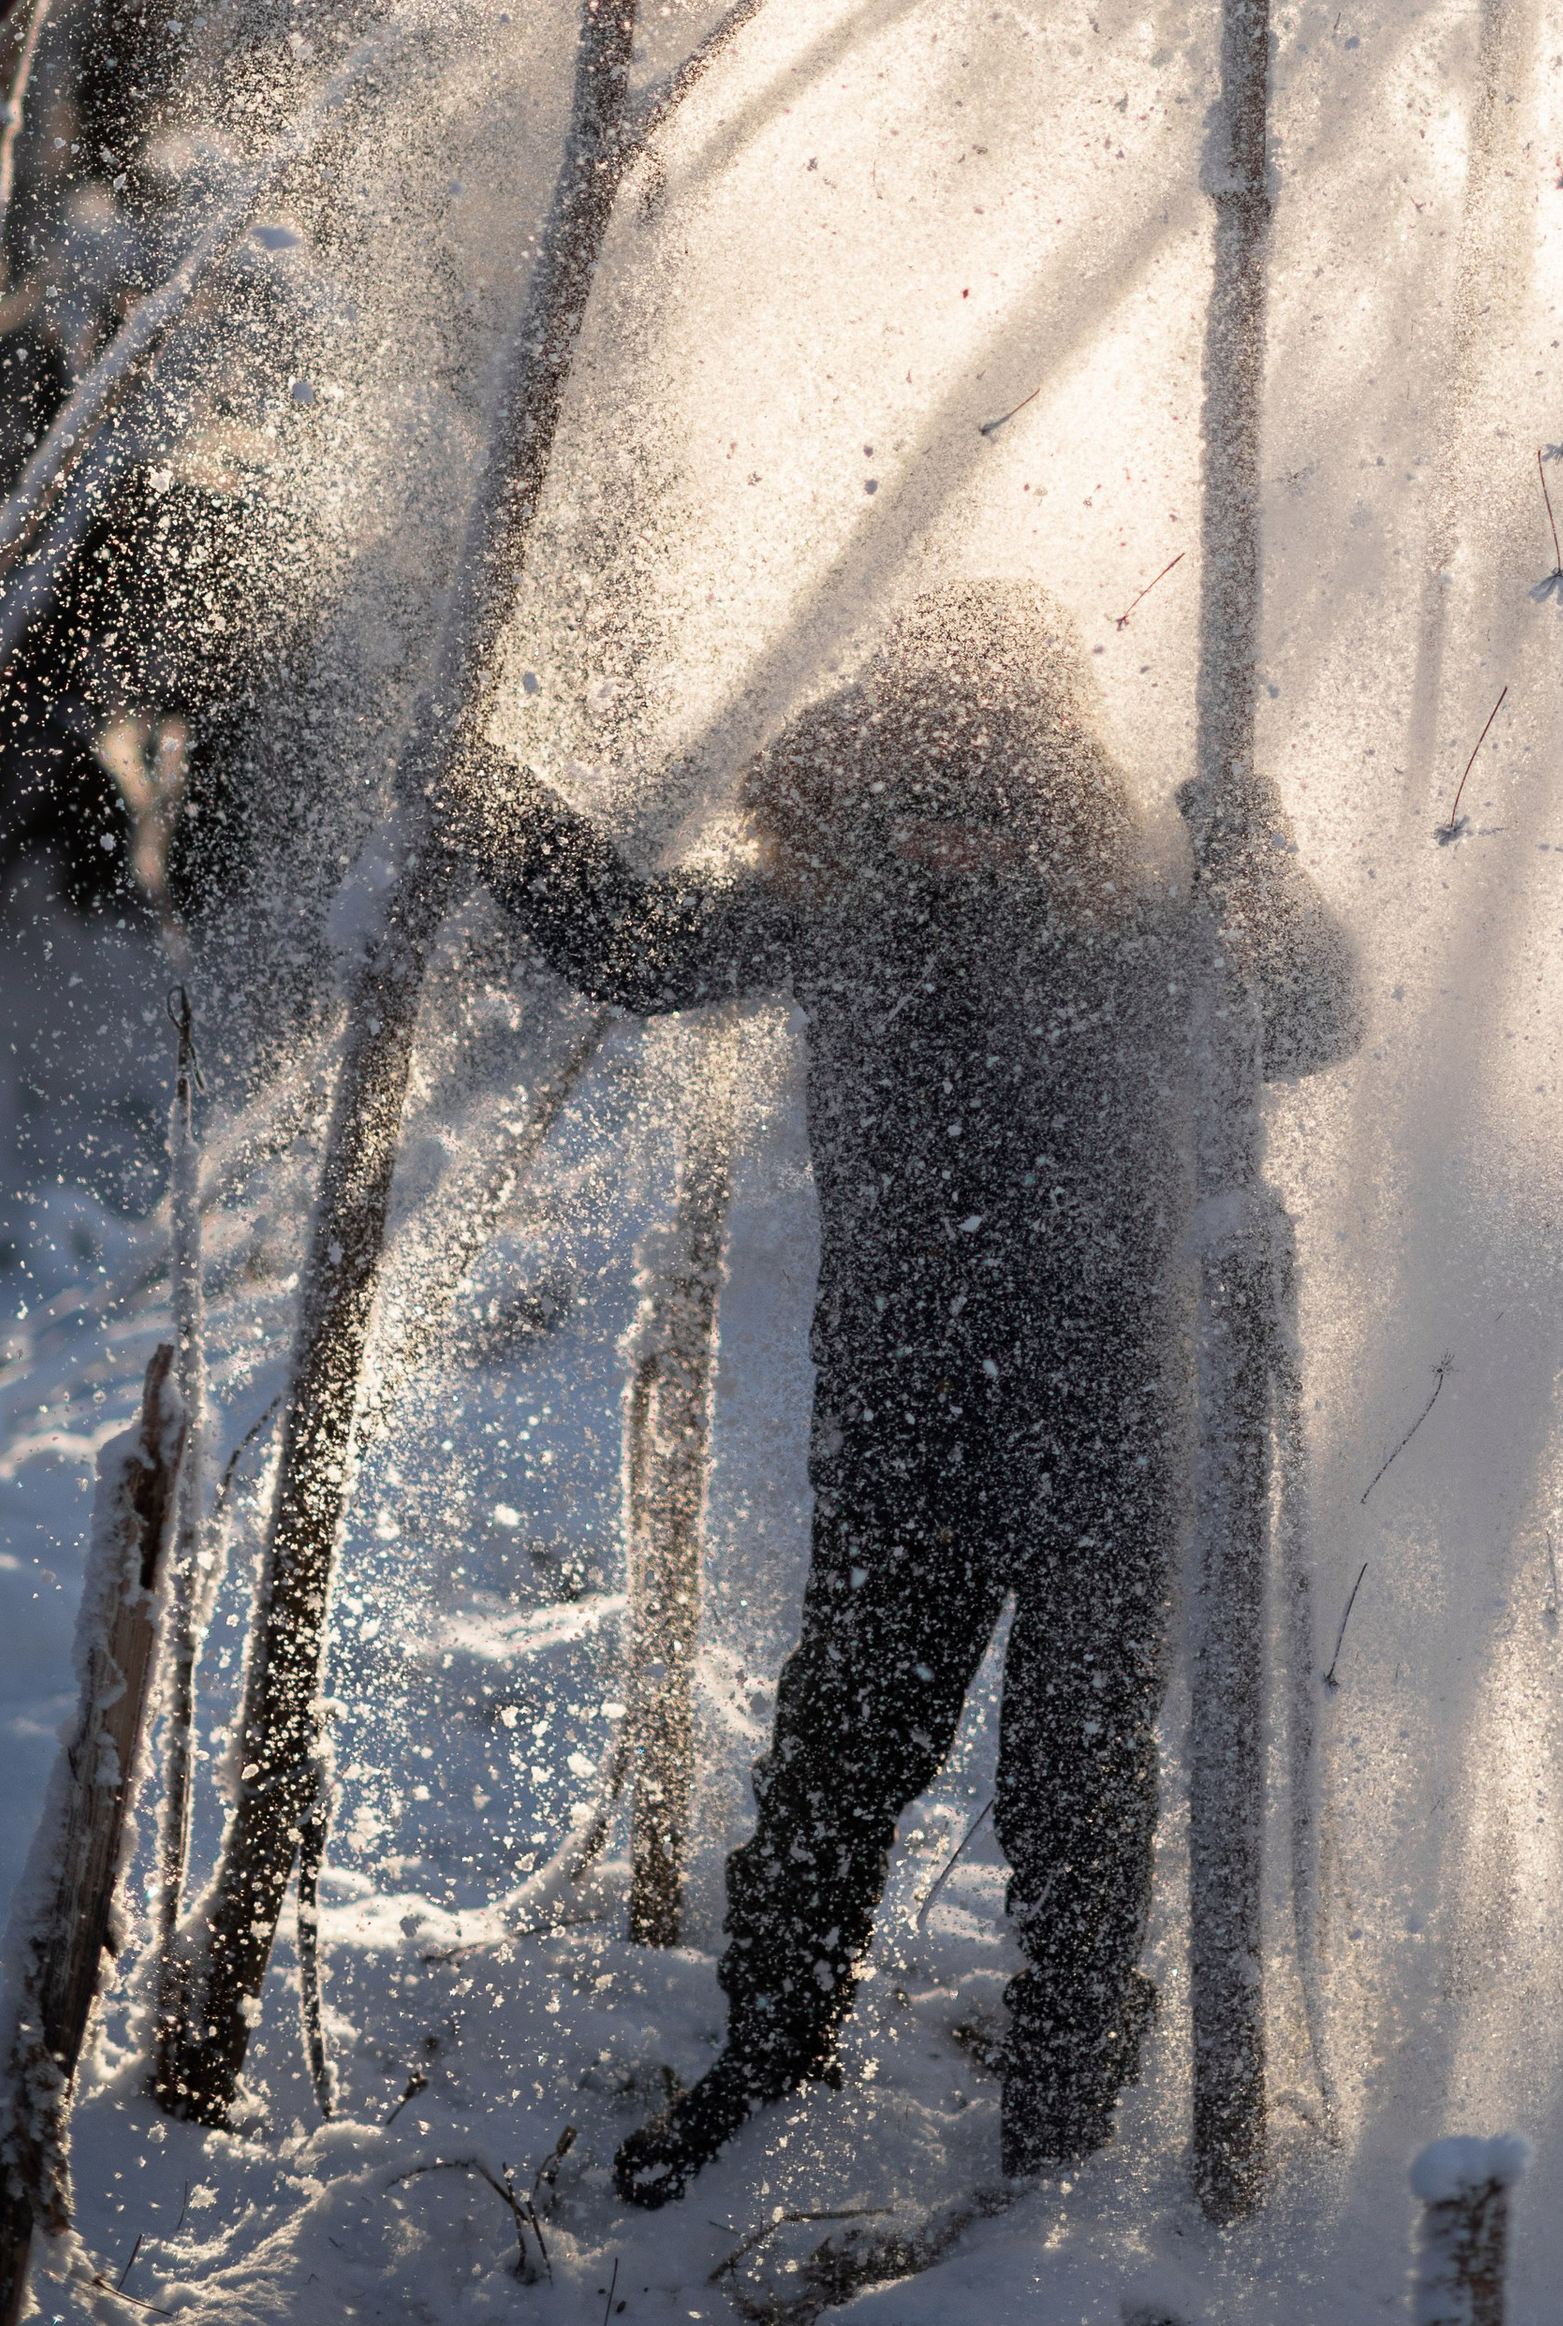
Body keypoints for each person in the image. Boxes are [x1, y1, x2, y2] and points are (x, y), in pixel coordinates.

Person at [443, 580, 1357, 2203]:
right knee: (837, 1759)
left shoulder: (1142, 909)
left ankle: (1061, 2126)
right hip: (906, 1417)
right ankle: (769, 2047)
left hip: (1113, 1420)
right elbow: (640, 948)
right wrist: (495, 807)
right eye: (913, 774)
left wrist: (1261, 871)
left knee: (1076, 1790)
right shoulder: (834, 898)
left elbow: (1316, 1016)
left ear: (1051, 777)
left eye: (988, 783)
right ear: (866, 759)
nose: (945, 814)